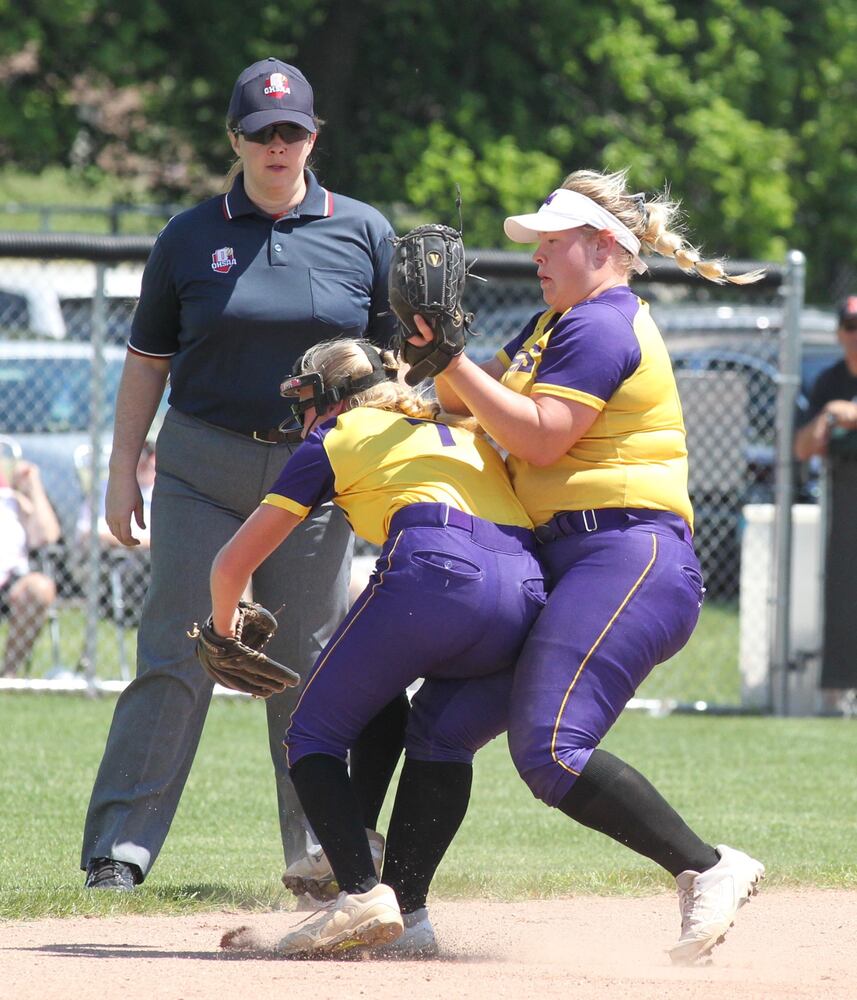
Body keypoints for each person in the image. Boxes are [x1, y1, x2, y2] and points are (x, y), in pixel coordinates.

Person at [399, 169, 766, 965]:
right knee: (440, 723)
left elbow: (536, 437)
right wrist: (402, 373)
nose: (536, 253)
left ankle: (708, 867)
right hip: (565, 560)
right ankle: (405, 918)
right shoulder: (551, 322)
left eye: (552, 240)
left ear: (604, 246)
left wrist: (449, 362)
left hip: (627, 556)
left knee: (551, 747)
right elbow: (466, 401)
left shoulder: (601, 324)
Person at [81, 57, 404, 892]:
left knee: (307, 663)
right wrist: (124, 473)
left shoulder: (362, 230)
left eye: (292, 129)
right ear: (235, 139)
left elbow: (397, 367)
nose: (277, 145)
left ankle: (319, 853)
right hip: (202, 461)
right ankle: (119, 851)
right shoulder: (190, 236)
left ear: (313, 136)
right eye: (260, 132)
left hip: (318, 471)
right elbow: (147, 362)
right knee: (178, 652)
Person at [217, 338, 544, 957]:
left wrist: (219, 625)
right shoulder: (460, 427)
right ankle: (408, 911)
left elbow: (233, 563)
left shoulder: (337, 435)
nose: (302, 417)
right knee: (430, 733)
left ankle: (361, 891)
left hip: (436, 568)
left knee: (309, 735)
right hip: (527, 588)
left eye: (307, 401)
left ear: (334, 398)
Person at [794, 294, 857, 712]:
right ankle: (839, 689)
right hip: (846, 491)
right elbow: (803, 447)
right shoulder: (830, 381)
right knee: (843, 587)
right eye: (851, 327)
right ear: (839, 334)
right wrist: (830, 416)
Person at [0, 459, 61, 677]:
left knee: (40, 587)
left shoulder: (12, 500)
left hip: (9, 580)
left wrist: (32, 486)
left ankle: (7, 676)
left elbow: (47, 536)